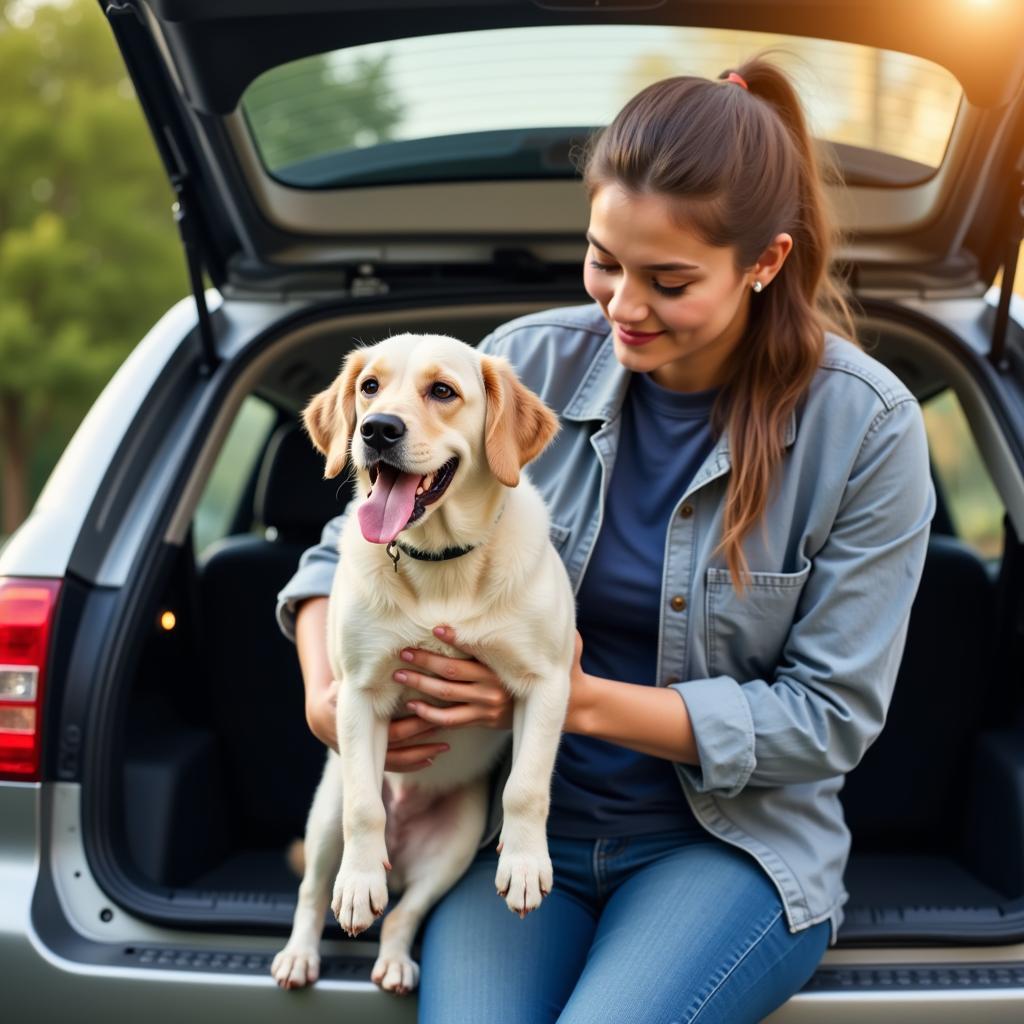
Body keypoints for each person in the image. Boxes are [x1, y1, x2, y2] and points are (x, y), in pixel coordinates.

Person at [275, 58, 935, 1024]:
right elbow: (348, 548)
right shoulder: (525, 361)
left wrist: (574, 702)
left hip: (730, 849)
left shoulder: (866, 426)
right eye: (603, 261)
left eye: (668, 280)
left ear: (766, 261)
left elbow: (830, 715)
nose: (621, 305)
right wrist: (326, 699)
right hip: (509, 831)